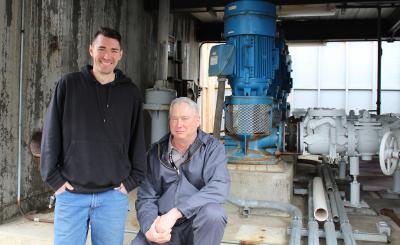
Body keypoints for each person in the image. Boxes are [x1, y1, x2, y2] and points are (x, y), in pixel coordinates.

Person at [40, 27, 147, 245]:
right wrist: (54, 179)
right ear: (91, 50)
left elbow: (138, 140)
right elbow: (50, 135)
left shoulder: (130, 93)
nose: (107, 56)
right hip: (71, 195)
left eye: (113, 50)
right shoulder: (68, 85)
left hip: (112, 196)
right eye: (101, 48)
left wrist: (132, 180)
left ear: (121, 54)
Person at [132, 97, 230, 245]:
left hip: (195, 223)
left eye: (185, 118)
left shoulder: (212, 148)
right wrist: (149, 228)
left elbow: (219, 186)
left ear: (197, 121)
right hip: (165, 226)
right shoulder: (155, 152)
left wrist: (177, 212)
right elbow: (146, 197)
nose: (179, 124)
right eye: (174, 119)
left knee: (214, 214)